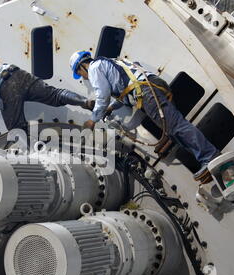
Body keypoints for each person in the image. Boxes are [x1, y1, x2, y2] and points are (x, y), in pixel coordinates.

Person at [69, 51, 219, 181]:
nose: (84, 77)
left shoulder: (94, 68)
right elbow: (125, 88)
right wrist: (112, 107)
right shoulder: (108, 62)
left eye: (80, 73)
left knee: (177, 126)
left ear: (82, 66)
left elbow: (102, 95)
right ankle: (206, 160)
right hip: (149, 88)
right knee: (174, 132)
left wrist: (92, 120)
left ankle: (210, 157)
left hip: (145, 93)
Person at [0, 63, 94, 137]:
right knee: (54, 95)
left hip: (5, 85)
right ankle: (85, 102)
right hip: (17, 73)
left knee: (16, 131)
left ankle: (36, 157)